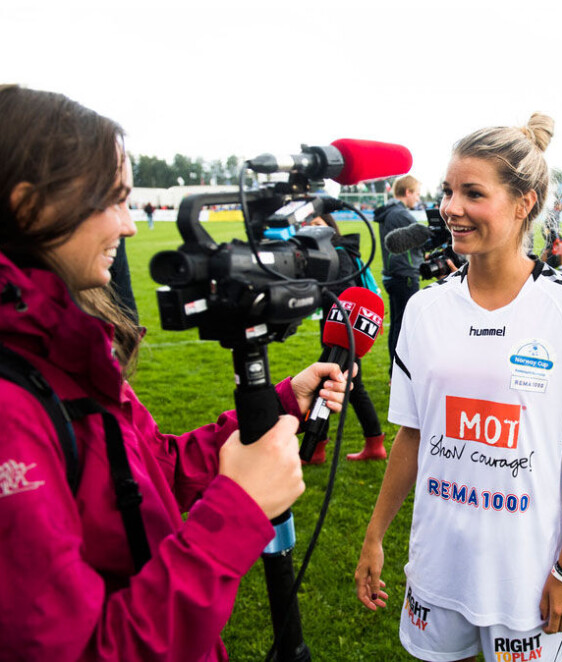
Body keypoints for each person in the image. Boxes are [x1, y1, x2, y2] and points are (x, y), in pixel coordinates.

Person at [0, 85, 348, 660]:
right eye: (110, 200)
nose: (129, 225)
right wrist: (239, 507)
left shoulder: (63, 343)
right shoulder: (13, 401)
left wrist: (283, 401)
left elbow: (147, 471)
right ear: (28, 205)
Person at [353, 113, 562, 662]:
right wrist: (375, 534)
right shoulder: (426, 310)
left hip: (524, 573)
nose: (450, 207)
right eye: (448, 191)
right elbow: (411, 436)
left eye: (472, 193)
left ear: (525, 202)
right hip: (437, 566)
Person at [301, 213, 386, 463]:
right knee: (351, 388)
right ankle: (373, 442)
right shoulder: (325, 253)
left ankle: (315, 448)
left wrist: (314, 291)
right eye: (308, 225)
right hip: (336, 331)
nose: (311, 229)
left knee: (324, 387)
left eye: (317, 225)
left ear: (330, 226)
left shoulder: (339, 252)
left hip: (347, 332)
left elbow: (344, 294)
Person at [375, 174, 422, 376]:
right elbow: (422, 237)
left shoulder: (389, 213)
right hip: (405, 274)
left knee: (397, 325)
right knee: (405, 328)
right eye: (417, 194)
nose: (418, 199)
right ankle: (399, 374)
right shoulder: (400, 214)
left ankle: (394, 373)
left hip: (393, 274)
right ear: (408, 192)